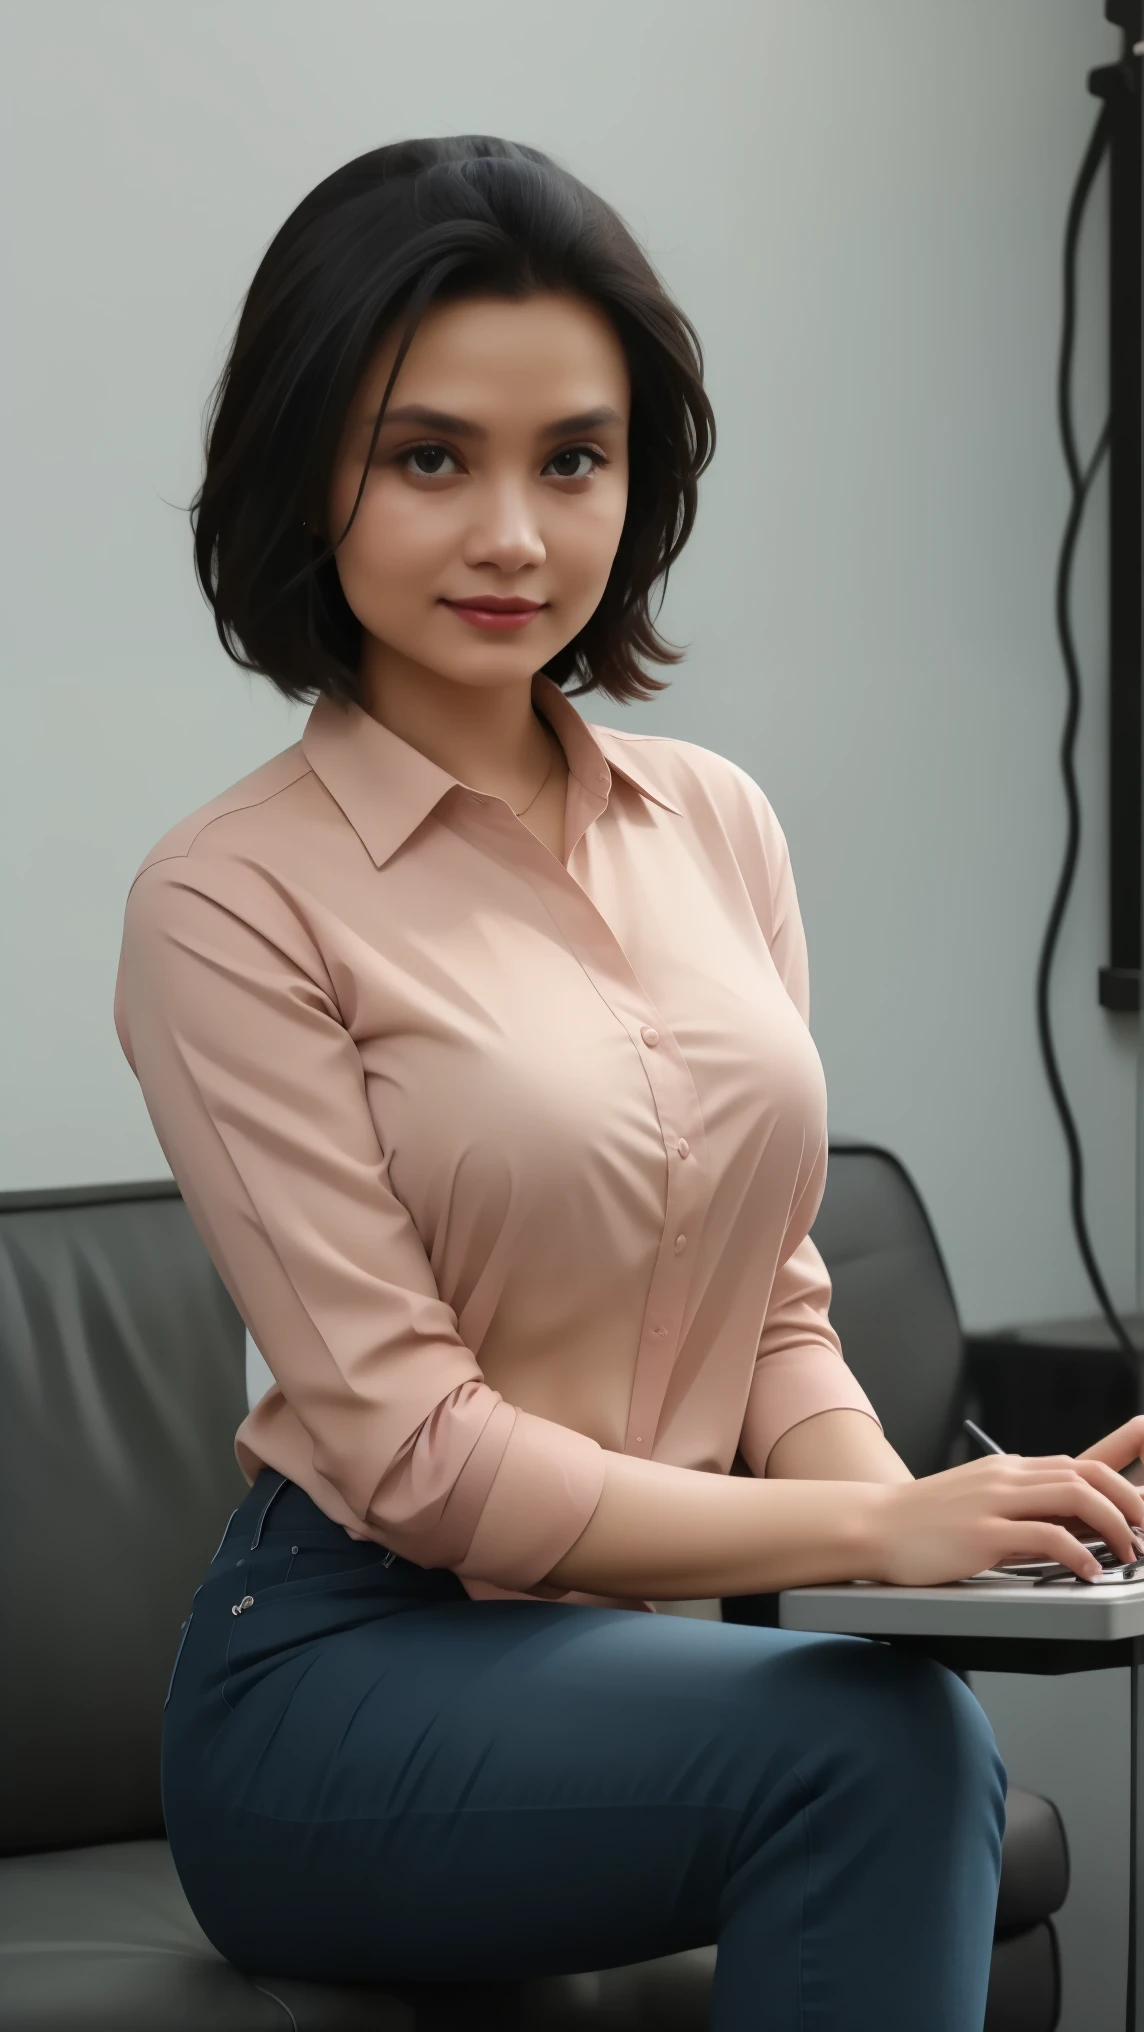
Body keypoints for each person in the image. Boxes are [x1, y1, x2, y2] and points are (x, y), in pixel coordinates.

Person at [112, 136, 1144, 2029]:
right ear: (303, 473)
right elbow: (420, 1458)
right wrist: (864, 1537)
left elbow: (774, 1313)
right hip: (333, 1680)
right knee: (882, 1755)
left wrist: (971, 1540)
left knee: (905, 1711)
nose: (515, 533)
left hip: (636, 1659)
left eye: (572, 459)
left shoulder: (719, 825)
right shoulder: (225, 899)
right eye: (432, 457)